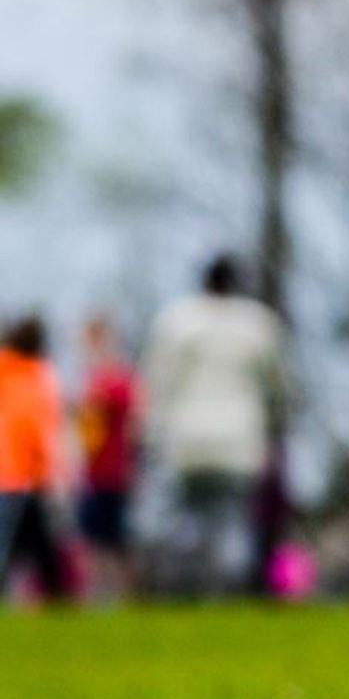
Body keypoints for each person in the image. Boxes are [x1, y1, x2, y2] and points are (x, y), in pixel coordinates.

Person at [140, 255, 290, 595]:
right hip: (239, 439)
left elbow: (157, 382)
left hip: (185, 438)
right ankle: (225, 591)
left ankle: (179, 587)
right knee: (231, 523)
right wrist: (276, 430)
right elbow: (278, 387)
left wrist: (147, 435)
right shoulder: (259, 324)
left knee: (181, 520)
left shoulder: (176, 321)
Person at [0, 316, 69, 601]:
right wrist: (48, 471)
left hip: (9, 472)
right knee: (21, 539)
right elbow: (37, 431)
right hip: (22, 473)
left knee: (26, 538)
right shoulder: (38, 377)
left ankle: (56, 593)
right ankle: (56, 593)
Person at [75, 314, 141, 598]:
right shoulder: (89, 380)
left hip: (115, 468)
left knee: (117, 537)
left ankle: (127, 594)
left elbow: (133, 426)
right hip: (92, 469)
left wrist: (132, 464)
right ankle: (97, 594)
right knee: (91, 536)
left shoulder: (121, 381)